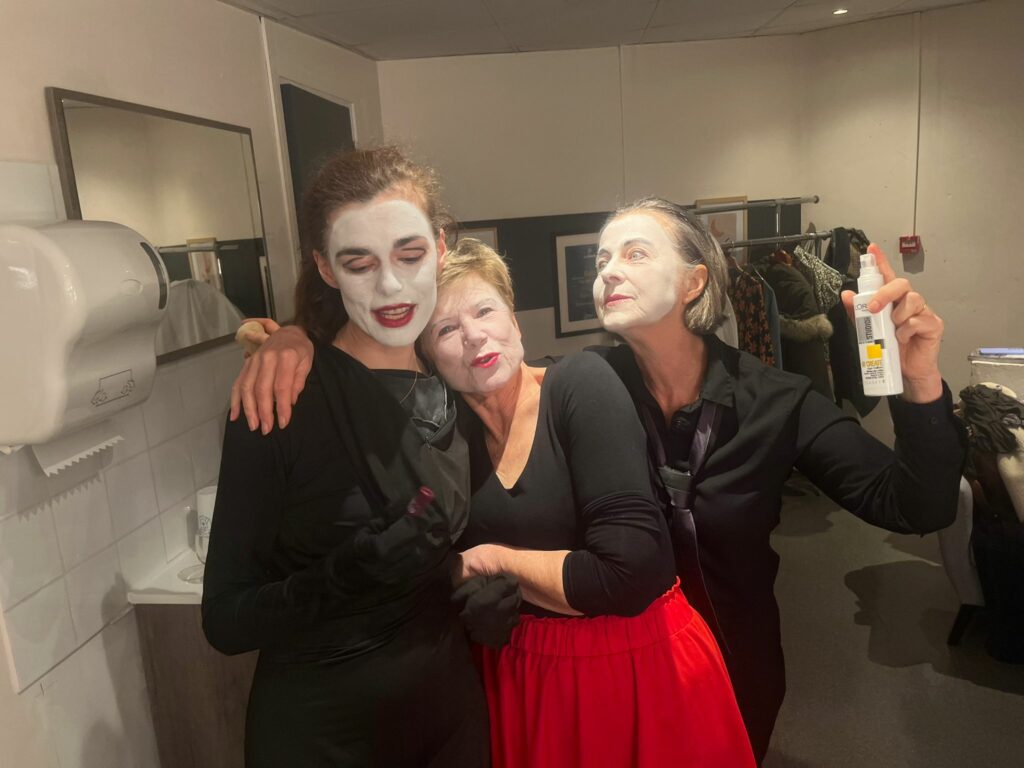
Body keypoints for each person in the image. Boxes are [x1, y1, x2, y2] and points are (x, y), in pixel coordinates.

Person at [234, 200, 964, 764]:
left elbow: (914, 503)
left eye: (634, 253)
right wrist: (298, 338)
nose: (608, 269)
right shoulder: (587, 381)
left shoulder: (774, 400)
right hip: (565, 667)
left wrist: (921, 379)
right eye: (602, 257)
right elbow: (460, 365)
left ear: (694, 281)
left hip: (722, 652)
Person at [202, 147, 493, 767]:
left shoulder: (454, 379)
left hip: (450, 718)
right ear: (325, 269)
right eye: (359, 264)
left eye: (410, 255)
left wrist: (475, 586)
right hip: (323, 736)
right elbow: (224, 620)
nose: (390, 286)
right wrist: (341, 579)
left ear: (441, 247)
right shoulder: (282, 401)